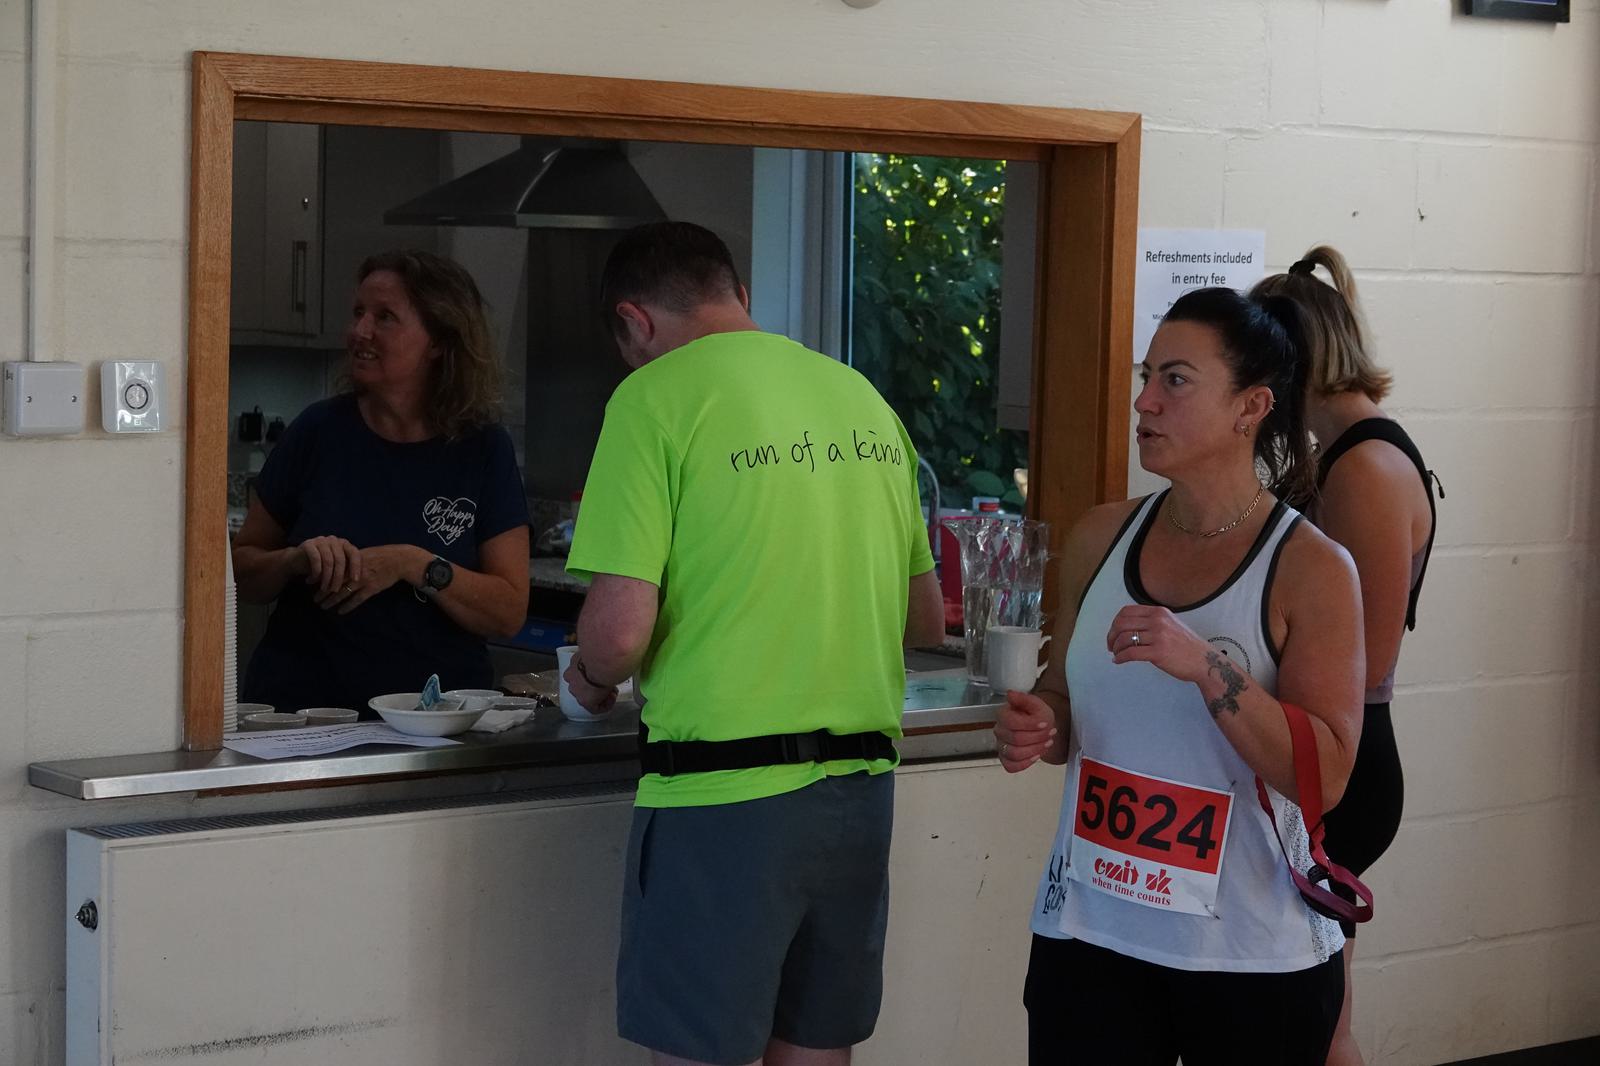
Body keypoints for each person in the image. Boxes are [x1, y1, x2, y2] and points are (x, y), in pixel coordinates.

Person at [562, 221, 944, 1066]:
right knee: (814, 1052)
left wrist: (586, 681)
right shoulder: (860, 398)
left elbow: (620, 633)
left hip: (722, 798)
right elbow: (927, 622)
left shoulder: (654, 398)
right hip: (860, 792)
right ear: (738, 295)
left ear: (635, 321)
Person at [994, 287, 1366, 1064]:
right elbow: (1066, 702)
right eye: (1146, 375)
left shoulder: (1312, 568)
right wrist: (1043, 724)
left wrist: (1206, 669)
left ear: (1251, 406)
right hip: (1091, 932)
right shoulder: (1102, 536)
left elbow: (1325, 776)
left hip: (1247, 954)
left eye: (1176, 381)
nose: (1145, 401)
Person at [1253, 246, 1437, 1066]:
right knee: (1319, 1014)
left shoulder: (1367, 468)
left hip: (1349, 760)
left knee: (1311, 1018)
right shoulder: (1340, 457)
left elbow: (1366, 657)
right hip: (1332, 750)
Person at [232, 250, 530, 715]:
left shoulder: (484, 448)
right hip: (305, 717)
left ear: (438, 341)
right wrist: (294, 560)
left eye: (384, 317)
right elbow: (241, 573)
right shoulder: (317, 431)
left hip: (434, 725)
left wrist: (412, 563)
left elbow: (509, 610)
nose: (359, 332)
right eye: (358, 314)